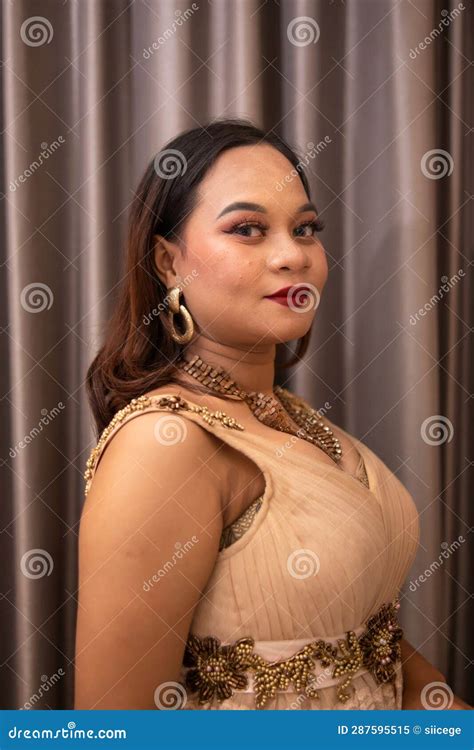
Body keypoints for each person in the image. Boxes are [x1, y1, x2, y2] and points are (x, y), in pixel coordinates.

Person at [74, 118, 471, 711]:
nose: (293, 256)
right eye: (248, 229)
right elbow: (117, 728)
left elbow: (365, 641)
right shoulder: (163, 442)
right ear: (168, 263)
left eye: (305, 229)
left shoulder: (292, 416)